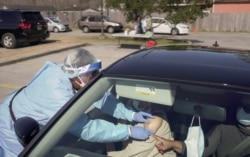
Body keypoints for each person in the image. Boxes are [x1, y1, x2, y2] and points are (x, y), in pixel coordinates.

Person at [0, 48, 155, 157]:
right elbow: (87, 129)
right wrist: (128, 131)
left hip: (24, 115)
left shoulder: (68, 75)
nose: (95, 77)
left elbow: (99, 96)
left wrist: (131, 114)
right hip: (13, 132)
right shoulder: (57, 94)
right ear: (76, 74)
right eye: (92, 74)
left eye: (97, 73)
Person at [152, 96, 250, 157]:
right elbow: (199, 150)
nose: (242, 109)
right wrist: (171, 144)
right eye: (241, 105)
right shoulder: (224, 127)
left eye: (248, 107)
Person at [107, 99, 176, 157]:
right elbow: (119, 131)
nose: (142, 102)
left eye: (146, 100)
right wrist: (127, 109)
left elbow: (150, 128)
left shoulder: (156, 116)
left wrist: (108, 145)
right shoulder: (129, 114)